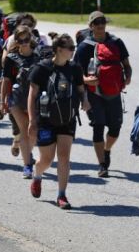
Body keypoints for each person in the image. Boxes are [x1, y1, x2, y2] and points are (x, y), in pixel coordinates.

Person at [27, 34, 91, 209]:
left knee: (64, 156)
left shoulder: (75, 69)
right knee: (46, 160)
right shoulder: (42, 68)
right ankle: (37, 175)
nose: (73, 51)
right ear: (59, 49)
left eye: (73, 47)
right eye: (70, 48)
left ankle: (61, 195)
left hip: (67, 118)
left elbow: (80, 88)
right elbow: (32, 95)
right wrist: (32, 121)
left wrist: (85, 100)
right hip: (46, 119)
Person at [73, 11, 131, 177]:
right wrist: (86, 81)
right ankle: (102, 165)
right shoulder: (85, 46)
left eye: (102, 21)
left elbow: (127, 65)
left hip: (114, 91)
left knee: (115, 128)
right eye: (96, 22)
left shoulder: (116, 42)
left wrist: (128, 77)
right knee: (98, 127)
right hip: (93, 94)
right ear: (91, 26)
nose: (100, 25)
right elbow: (76, 74)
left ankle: (106, 150)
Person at [1, 26, 41, 178]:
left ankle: (27, 154)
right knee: (24, 130)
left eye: (26, 39)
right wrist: (2, 101)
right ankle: (27, 165)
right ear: (16, 41)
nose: (24, 43)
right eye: (20, 40)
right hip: (16, 98)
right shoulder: (11, 58)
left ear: (31, 38)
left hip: (35, 100)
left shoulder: (40, 55)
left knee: (33, 131)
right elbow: (6, 80)